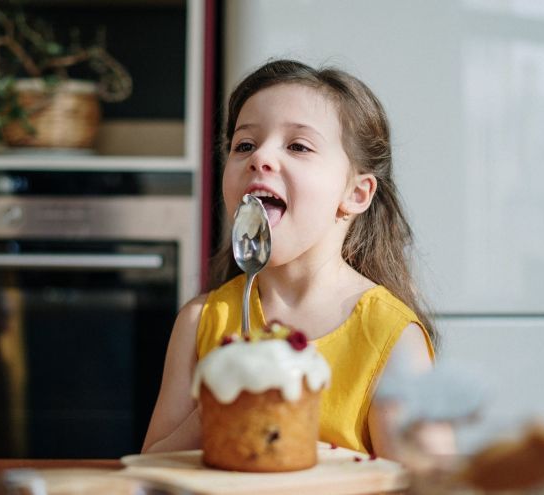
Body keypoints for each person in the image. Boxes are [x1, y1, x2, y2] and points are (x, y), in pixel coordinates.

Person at [142, 59, 437, 457]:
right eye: (244, 145)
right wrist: (221, 408)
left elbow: (429, 482)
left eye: (298, 146)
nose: (259, 157)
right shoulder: (200, 323)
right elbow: (149, 472)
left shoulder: (391, 336)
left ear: (356, 194)